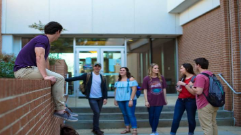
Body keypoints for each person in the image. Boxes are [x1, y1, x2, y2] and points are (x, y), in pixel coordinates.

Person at [14, 21, 78, 122]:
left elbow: (43, 61)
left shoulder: (44, 41)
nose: (59, 35)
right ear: (58, 31)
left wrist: (47, 74)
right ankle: (60, 110)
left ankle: (63, 107)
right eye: (60, 33)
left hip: (29, 69)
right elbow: (39, 56)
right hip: (24, 71)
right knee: (59, 78)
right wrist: (45, 76)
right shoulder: (42, 39)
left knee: (56, 77)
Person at [65, 63, 107, 135]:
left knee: (97, 113)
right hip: (92, 98)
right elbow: (77, 78)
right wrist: (65, 79)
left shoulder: (102, 77)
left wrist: (105, 98)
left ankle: (95, 128)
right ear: (93, 67)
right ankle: (96, 129)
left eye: (98, 66)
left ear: (100, 68)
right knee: (96, 112)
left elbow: (104, 89)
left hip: (100, 98)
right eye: (95, 66)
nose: (97, 67)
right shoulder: (88, 75)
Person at [188, 58, 219, 135]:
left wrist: (191, 86)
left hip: (204, 104)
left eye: (195, 65)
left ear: (198, 65)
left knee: (207, 127)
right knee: (213, 124)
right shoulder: (211, 74)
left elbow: (199, 91)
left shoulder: (200, 76)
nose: (194, 66)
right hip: (213, 103)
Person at [170, 63, 197, 135]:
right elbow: (180, 88)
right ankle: (172, 133)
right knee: (176, 118)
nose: (180, 70)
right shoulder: (182, 78)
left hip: (190, 101)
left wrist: (184, 84)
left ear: (187, 69)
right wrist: (178, 89)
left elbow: (193, 93)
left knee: (191, 119)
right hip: (180, 100)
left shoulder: (194, 78)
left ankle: (191, 133)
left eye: (182, 68)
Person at [142, 63, 168, 135]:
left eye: (158, 68)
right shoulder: (146, 78)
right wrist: (146, 101)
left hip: (160, 100)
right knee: (151, 116)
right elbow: (145, 90)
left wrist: (165, 99)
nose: (157, 69)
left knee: (157, 116)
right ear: (151, 69)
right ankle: (153, 130)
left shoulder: (161, 77)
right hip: (150, 100)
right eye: (155, 68)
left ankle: (154, 131)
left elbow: (164, 89)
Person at [114, 67, 138, 135]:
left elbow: (134, 89)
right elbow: (116, 90)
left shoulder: (131, 79)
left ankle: (134, 129)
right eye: (120, 70)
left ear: (126, 71)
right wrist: (115, 99)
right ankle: (127, 129)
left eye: (123, 70)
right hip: (120, 100)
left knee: (130, 114)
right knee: (124, 114)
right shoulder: (118, 80)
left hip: (129, 100)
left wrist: (131, 100)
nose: (121, 71)